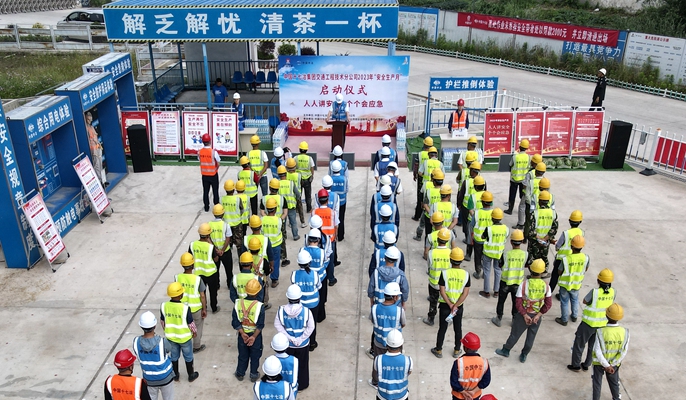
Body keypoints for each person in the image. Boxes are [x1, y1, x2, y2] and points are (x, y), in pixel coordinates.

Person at [495, 259, 552, 363]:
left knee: (515, 334)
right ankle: (524, 354)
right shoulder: (546, 286)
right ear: (543, 272)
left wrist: (525, 315)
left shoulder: (524, 284)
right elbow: (548, 304)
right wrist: (538, 315)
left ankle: (506, 350)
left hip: (523, 315)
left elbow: (518, 302)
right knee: (531, 337)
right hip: (536, 316)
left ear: (530, 269)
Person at [568, 268, 615, 372]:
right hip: (602, 324)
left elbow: (585, 301)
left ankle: (576, 365)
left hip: (589, 323)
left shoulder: (595, 292)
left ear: (598, 281)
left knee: (579, 344)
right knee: (593, 346)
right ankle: (587, 364)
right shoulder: (613, 292)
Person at [432, 248, 470, 359]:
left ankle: (438, 349)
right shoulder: (466, 275)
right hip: (458, 307)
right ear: (461, 260)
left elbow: (442, 291)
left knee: (442, 328)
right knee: (458, 328)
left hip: (445, 306)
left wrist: (450, 304)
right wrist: (456, 305)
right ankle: (457, 349)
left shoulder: (444, 274)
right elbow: (465, 293)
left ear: (450, 259)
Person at [274, 285, 315, 390]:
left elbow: (277, 325)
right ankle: (302, 384)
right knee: (302, 365)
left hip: (288, 344)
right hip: (302, 344)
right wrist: (300, 339)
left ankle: (288, 385)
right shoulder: (306, 311)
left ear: (288, 297)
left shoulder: (281, 310)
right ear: (299, 297)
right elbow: (311, 327)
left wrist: (289, 338)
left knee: (288, 366)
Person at [160, 283, 199, 382]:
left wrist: (166, 330)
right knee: (188, 356)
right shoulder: (185, 307)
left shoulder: (164, 306)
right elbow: (190, 323)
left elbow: (162, 321)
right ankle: (191, 375)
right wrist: (194, 332)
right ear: (180, 295)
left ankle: (175, 375)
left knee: (174, 356)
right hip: (184, 338)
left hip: (171, 337)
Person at [133, 312, 175, 400]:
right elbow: (169, 349)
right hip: (166, 378)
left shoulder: (136, 342)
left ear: (141, 326)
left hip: (149, 380)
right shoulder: (162, 341)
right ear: (155, 326)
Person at [592, 303, 629, 400]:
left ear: (606, 315)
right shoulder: (625, 332)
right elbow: (623, 351)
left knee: (597, 384)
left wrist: (606, 365)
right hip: (614, 365)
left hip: (599, 363)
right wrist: (611, 365)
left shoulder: (600, 332)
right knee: (614, 383)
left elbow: (597, 350)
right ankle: (616, 398)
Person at [491, 230, 527, 327]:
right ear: (522, 241)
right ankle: (514, 320)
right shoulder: (525, 254)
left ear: (511, 242)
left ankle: (498, 318)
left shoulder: (505, 254)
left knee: (501, 301)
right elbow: (528, 264)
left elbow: (500, 265)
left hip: (505, 282)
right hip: (517, 283)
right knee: (516, 302)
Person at [232, 279, 266, 382]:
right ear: (257, 292)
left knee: (243, 355)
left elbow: (235, 322)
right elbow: (260, 325)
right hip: (255, 336)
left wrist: (242, 333)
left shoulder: (238, 303)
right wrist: (253, 337)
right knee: (255, 355)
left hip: (242, 335)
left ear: (246, 291)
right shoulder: (259, 306)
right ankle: (253, 374)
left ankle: (240, 373)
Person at [175, 252, 208, 353]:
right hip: (195, 309)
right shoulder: (197, 279)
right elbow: (202, 296)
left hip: (182, 308)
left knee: (184, 326)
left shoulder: (177, 277)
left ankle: (184, 344)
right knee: (197, 326)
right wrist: (204, 309)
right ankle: (196, 346)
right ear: (193, 265)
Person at [367, 282, 406, 365]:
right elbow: (403, 324)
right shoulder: (399, 310)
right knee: (394, 364)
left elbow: (373, 320)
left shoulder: (374, 308)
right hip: (395, 345)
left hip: (379, 343)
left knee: (378, 365)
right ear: (395, 297)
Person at [291, 249, 322, 350]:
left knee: (302, 325)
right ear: (309, 262)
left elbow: (294, 288)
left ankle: (302, 342)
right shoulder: (315, 274)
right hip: (313, 304)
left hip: (300, 305)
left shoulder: (294, 274)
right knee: (311, 324)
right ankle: (312, 343)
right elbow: (319, 286)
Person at [555, 235, 590, 326]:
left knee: (564, 302)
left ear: (571, 246)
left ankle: (564, 320)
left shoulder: (566, 259)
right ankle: (574, 316)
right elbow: (585, 269)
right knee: (575, 300)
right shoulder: (586, 258)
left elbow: (559, 271)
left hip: (565, 285)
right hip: (576, 284)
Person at [370, 329, 413, 399]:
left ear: (387, 344)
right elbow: (409, 372)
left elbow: (377, 370)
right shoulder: (408, 360)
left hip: (383, 396)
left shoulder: (378, 359)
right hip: (401, 396)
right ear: (401, 344)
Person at [423, 228, 452, 327]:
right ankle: (447, 319)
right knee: (446, 301)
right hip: (446, 284)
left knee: (433, 302)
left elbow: (429, 266)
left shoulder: (431, 253)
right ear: (447, 240)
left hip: (434, 282)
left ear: (438, 239)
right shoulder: (451, 253)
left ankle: (431, 319)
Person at [551, 210, 584, 296]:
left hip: (561, 258)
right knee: (567, 277)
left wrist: (556, 246)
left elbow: (558, 246)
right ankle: (561, 294)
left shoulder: (566, 233)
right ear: (580, 222)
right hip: (572, 259)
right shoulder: (581, 233)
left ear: (569, 221)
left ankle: (549, 291)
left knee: (555, 276)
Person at [189, 223, 220, 314]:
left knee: (202, 292)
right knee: (213, 291)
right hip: (211, 273)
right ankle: (214, 307)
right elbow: (216, 259)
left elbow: (190, 257)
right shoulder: (210, 247)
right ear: (208, 235)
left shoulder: (192, 245)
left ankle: (204, 306)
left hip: (199, 272)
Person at [449, 333, 491, 400]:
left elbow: (453, 382)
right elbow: (486, 381)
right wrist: (473, 391)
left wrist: (463, 392)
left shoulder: (458, 363)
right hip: (474, 396)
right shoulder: (484, 362)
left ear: (465, 348)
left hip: (459, 396)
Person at [525, 191, 557, 276]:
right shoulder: (553, 213)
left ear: (539, 201)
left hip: (535, 241)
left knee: (533, 257)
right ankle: (543, 273)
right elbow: (554, 228)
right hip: (546, 241)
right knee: (544, 256)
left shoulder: (535, 213)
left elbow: (530, 229)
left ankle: (534, 274)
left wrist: (538, 238)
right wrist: (545, 238)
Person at [480, 208, 509, 298]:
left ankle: (486, 292)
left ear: (492, 218)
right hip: (499, 253)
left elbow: (482, 237)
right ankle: (496, 291)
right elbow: (506, 237)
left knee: (487, 271)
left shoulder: (489, 229)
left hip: (488, 253)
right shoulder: (506, 229)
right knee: (498, 271)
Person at [313, 189, 340, 283]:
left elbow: (312, 226)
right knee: (330, 261)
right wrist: (335, 236)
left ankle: (320, 278)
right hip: (330, 240)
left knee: (319, 260)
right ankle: (331, 279)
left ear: (318, 200)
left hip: (317, 241)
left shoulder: (314, 212)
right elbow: (336, 226)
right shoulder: (332, 212)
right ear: (327, 200)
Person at [262, 197, 286, 288]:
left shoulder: (262, 220)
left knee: (264, 261)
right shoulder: (279, 220)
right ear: (275, 209)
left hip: (265, 245)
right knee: (275, 262)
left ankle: (264, 279)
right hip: (276, 245)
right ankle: (274, 280)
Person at [222, 180, 246, 268]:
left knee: (228, 243)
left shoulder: (222, 199)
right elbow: (242, 210)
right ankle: (241, 262)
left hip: (226, 225)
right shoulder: (237, 199)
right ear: (233, 189)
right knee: (239, 245)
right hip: (237, 224)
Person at [469, 189, 494, 277]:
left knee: (478, 256)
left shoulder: (477, 213)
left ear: (482, 202)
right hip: (488, 240)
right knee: (486, 257)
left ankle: (478, 271)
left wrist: (471, 236)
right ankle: (485, 273)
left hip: (478, 239)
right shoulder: (493, 213)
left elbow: (472, 225)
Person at [209, 204, 233, 291]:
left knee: (215, 270)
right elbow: (228, 238)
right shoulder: (226, 225)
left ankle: (217, 285)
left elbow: (208, 238)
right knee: (228, 270)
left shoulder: (209, 225)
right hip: (225, 251)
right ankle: (230, 284)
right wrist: (222, 250)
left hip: (214, 252)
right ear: (223, 214)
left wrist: (216, 250)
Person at [505, 139, 530, 215]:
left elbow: (510, 165)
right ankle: (523, 210)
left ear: (519, 147)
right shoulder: (528, 157)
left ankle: (510, 210)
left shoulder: (515, 157)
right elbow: (529, 167)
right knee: (522, 195)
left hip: (514, 179)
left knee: (512, 195)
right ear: (527, 148)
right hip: (523, 180)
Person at [412, 136, 434, 221]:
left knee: (420, 197)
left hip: (422, 179)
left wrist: (415, 175)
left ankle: (417, 215)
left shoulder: (420, 154)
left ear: (424, 144)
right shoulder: (434, 155)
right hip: (432, 180)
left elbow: (416, 165)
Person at [277, 165, 300, 241]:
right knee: (293, 222)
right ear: (286, 173)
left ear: (278, 174)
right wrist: (295, 200)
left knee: (283, 222)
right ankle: (295, 236)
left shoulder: (277, 184)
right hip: (291, 206)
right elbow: (298, 194)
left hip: (281, 207)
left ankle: (284, 237)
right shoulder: (291, 183)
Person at [198, 133, 220, 212]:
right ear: (210, 141)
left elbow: (199, 160)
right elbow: (218, 162)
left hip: (204, 175)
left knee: (206, 191)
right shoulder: (213, 152)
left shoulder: (200, 152)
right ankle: (216, 206)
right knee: (215, 191)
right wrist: (216, 168)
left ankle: (206, 207)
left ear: (202, 141)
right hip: (213, 174)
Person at [85, 111, 106, 186]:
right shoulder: (86, 128)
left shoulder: (91, 127)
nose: (90, 120)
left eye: (90, 119)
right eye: (88, 119)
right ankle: (99, 182)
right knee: (96, 166)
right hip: (93, 149)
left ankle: (103, 180)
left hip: (97, 148)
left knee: (100, 165)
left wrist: (99, 145)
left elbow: (95, 137)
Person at [330, 160, 348, 241]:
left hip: (332, 202)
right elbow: (346, 190)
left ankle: (332, 235)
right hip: (342, 201)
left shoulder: (330, 179)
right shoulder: (344, 179)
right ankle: (340, 236)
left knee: (332, 219)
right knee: (341, 218)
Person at [286, 157, 306, 228]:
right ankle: (302, 222)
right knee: (300, 209)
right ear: (295, 167)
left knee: (290, 209)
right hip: (297, 194)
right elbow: (302, 183)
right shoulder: (298, 175)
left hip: (289, 194)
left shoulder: (285, 175)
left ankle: (290, 223)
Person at [295, 141, 315, 213]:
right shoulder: (309, 158)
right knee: (308, 195)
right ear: (307, 150)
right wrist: (312, 176)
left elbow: (293, 167)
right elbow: (312, 168)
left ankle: (298, 208)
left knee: (298, 195)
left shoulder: (296, 158)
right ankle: (309, 209)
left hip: (298, 179)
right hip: (307, 179)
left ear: (299, 149)